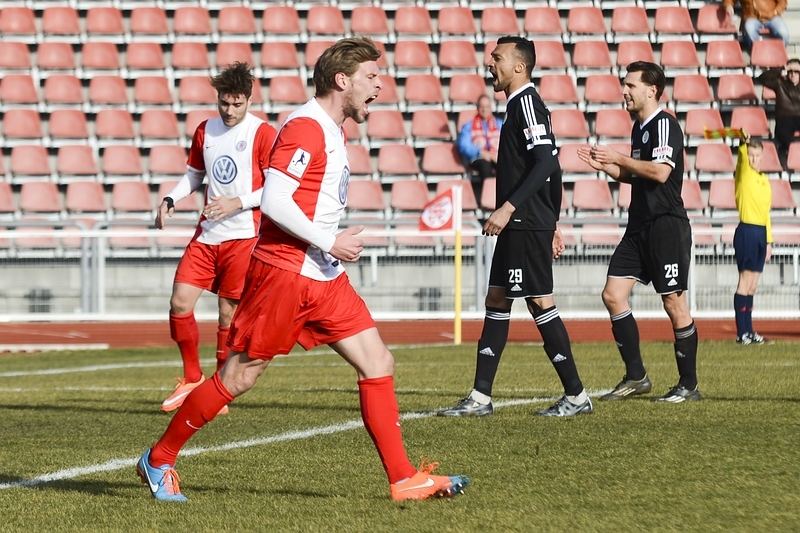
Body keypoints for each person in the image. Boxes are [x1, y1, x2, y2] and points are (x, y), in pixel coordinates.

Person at [137, 37, 469, 502]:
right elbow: (275, 201)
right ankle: (158, 459)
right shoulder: (305, 127)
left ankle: (403, 479)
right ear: (342, 80)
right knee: (239, 376)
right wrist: (330, 240)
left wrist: (329, 243)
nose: (379, 85)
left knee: (378, 361)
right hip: (286, 272)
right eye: (371, 77)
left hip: (322, 274)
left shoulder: (333, 130)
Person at [438, 35, 592, 419]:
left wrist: (509, 209)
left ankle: (576, 395)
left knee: (539, 302)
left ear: (519, 66)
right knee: (497, 299)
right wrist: (552, 221)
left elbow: (547, 162)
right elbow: (548, 167)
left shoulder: (526, 104)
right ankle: (480, 397)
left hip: (523, 222)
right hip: (524, 222)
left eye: (497, 57)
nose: (490, 63)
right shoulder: (517, 106)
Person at [155, 63, 276, 415]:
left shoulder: (262, 133)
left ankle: (217, 389)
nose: (230, 110)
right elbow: (194, 175)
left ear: (249, 101)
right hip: (208, 235)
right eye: (224, 103)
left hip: (244, 237)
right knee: (180, 302)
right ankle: (192, 377)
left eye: (237, 104)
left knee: (228, 313)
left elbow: (275, 188)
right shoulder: (205, 130)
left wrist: (237, 202)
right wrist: (171, 199)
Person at [577, 61, 701, 403]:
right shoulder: (639, 128)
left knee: (674, 303)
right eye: (624, 84)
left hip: (666, 226)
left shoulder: (665, 125)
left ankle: (689, 384)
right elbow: (636, 175)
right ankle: (636, 376)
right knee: (612, 294)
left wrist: (618, 157)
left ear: (652, 90)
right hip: (639, 226)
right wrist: (608, 167)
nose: (624, 91)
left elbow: (660, 172)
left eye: (631, 85)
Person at [732, 135, 773, 345]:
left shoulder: (764, 180)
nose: (754, 159)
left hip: (760, 233)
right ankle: (742, 333)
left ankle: (749, 330)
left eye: (757, 155)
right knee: (745, 281)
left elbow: (766, 213)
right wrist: (743, 144)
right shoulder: (744, 173)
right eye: (751, 155)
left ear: (762, 156)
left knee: (753, 285)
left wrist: (769, 241)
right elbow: (741, 158)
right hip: (747, 230)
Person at [757, 58, 800, 170]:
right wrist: (783, 68)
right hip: (785, 118)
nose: (793, 74)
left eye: (796, 71)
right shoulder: (780, 83)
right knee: (782, 133)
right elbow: (762, 78)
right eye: (790, 71)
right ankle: (795, 152)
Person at [457, 94, 502, 192]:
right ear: (477, 108)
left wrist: (499, 154)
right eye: (482, 107)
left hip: (496, 156)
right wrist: (481, 152)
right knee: (485, 166)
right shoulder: (468, 126)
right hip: (478, 158)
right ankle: (489, 194)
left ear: (491, 108)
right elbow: (464, 145)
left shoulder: (500, 124)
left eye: (487, 107)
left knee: (506, 165)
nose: (485, 110)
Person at [723, 0, 789, 51]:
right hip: (751, 17)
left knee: (783, 33)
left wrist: (775, 12)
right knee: (749, 28)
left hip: (772, 16)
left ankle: (778, 53)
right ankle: (760, 53)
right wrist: (728, 5)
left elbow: (782, 2)